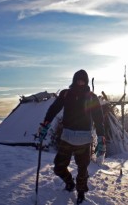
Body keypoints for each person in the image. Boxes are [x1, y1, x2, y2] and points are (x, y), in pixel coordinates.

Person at [39, 69, 106, 204]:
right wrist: (46, 123)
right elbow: (54, 109)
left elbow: (99, 118)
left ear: (86, 82)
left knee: (82, 169)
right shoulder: (66, 94)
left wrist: (101, 136)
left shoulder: (91, 97)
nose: (80, 83)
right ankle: (70, 183)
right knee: (59, 166)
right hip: (67, 137)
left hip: (84, 139)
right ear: (74, 80)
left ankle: (81, 192)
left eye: (83, 80)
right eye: (78, 80)